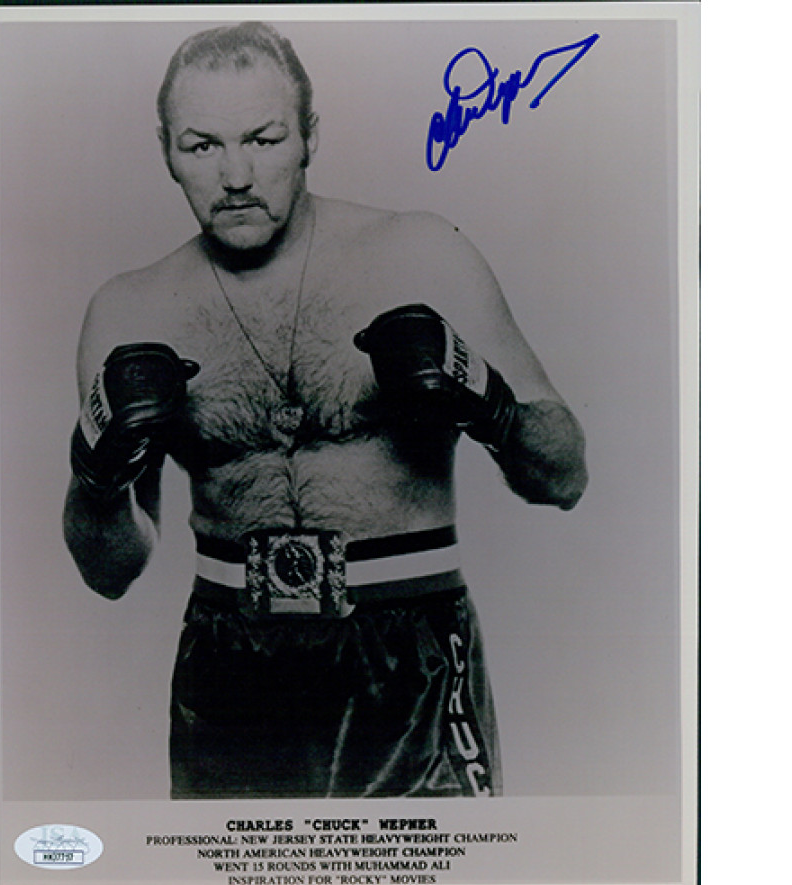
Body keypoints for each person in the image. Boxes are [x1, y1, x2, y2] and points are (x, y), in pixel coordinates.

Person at [63, 21, 587, 800]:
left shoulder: (421, 254)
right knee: (232, 870)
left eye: (264, 139)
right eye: (202, 146)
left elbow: (564, 475)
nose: (236, 175)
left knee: (439, 866)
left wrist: (491, 403)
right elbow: (110, 570)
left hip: (408, 650)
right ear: (166, 150)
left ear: (309, 135)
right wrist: (97, 473)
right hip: (227, 663)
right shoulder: (130, 311)